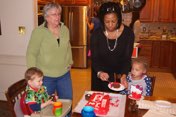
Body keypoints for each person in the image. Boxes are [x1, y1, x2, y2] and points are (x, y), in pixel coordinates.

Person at [26, 2, 73, 101]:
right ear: (46, 17)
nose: (57, 17)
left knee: (67, 102)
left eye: (59, 14)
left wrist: (70, 61)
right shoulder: (38, 32)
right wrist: (33, 75)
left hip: (64, 74)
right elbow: (31, 53)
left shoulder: (65, 29)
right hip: (45, 77)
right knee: (44, 104)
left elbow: (68, 46)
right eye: (54, 14)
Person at [90, 2, 135, 92]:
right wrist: (99, 72)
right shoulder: (96, 34)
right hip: (100, 77)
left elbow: (127, 59)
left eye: (113, 21)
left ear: (119, 18)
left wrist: (124, 75)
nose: (110, 24)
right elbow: (94, 58)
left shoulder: (128, 34)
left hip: (119, 77)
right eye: (107, 21)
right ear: (102, 20)